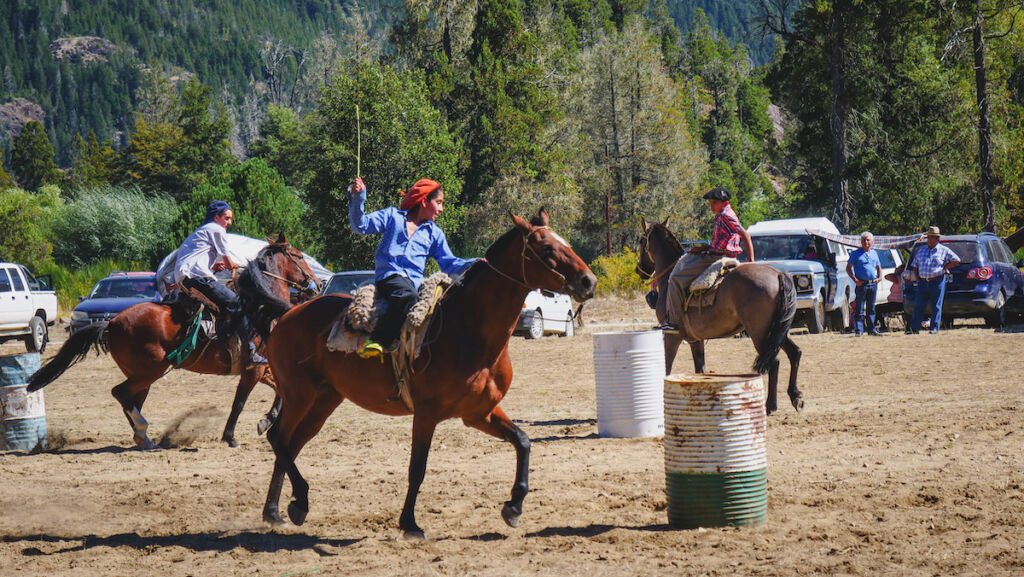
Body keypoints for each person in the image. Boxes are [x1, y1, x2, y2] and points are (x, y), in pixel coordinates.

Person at [349, 176, 476, 359]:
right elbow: (360, 225)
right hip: (390, 277)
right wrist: (359, 197)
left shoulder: (435, 233)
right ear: (424, 201)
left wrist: (477, 262)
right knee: (408, 296)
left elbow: (449, 263)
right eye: (439, 202)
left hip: (414, 283)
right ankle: (378, 340)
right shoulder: (392, 216)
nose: (441, 209)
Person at [174, 200, 266, 368]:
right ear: (216, 217)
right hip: (198, 277)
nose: (229, 223)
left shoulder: (202, 231)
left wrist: (212, 266)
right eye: (226, 218)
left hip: (187, 276)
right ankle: (250, 352)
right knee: (238, 304)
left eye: (230, 219)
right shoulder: (216, 229)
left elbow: (195, 256)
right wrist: (244, 267)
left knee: (225, 305)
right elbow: (229, 261)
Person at [662, 186, 755, 330]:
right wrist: (703, 248)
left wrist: (751, 262)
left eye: (713, 203)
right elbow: (724, 241)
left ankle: (674, 321)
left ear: (723, 202)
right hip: (715, 253)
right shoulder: (724, 214)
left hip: (715, 258)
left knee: (675, 279)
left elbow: (745, 235)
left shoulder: (725, 216)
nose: (711, 206)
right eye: (710, 203)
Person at [909, 226, 960, 334]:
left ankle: (934, 328)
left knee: (936, 305)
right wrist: (917, 278)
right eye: (929, 237)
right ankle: (914, 328)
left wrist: (946, 267)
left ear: (937, 239)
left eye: (933, 237)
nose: (931, 239)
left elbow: (956, 260)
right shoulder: (921, 250)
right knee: (918, 305)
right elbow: (914, 265)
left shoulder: (944, 250)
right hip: (922, 281)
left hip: (937, 280)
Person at [846, 231, 883, 336]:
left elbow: (878, 267)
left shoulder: (874, 253)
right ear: (861, 242)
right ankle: (859, 330)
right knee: (859, 308)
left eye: (868, 240)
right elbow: (848, 269)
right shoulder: (855, 254)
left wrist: (880, 277)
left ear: (872, 242)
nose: (866, 242)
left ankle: (872, 329)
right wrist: (855, 280)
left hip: (873, 284)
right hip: (861, 284)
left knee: (871, 308)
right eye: (864, 240)